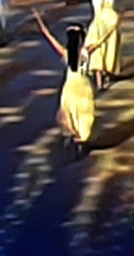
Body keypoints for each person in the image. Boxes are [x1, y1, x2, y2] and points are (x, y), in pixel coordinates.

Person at [32, 16, 93, 156]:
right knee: (84, 115)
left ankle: (75, 140)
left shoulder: (66, 53)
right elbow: (101, 40)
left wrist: (41, 24)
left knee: (70, 115)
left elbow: (50, 38)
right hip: (84, 88)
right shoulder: (86, 52)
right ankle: (83, 140)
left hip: (70, 88)